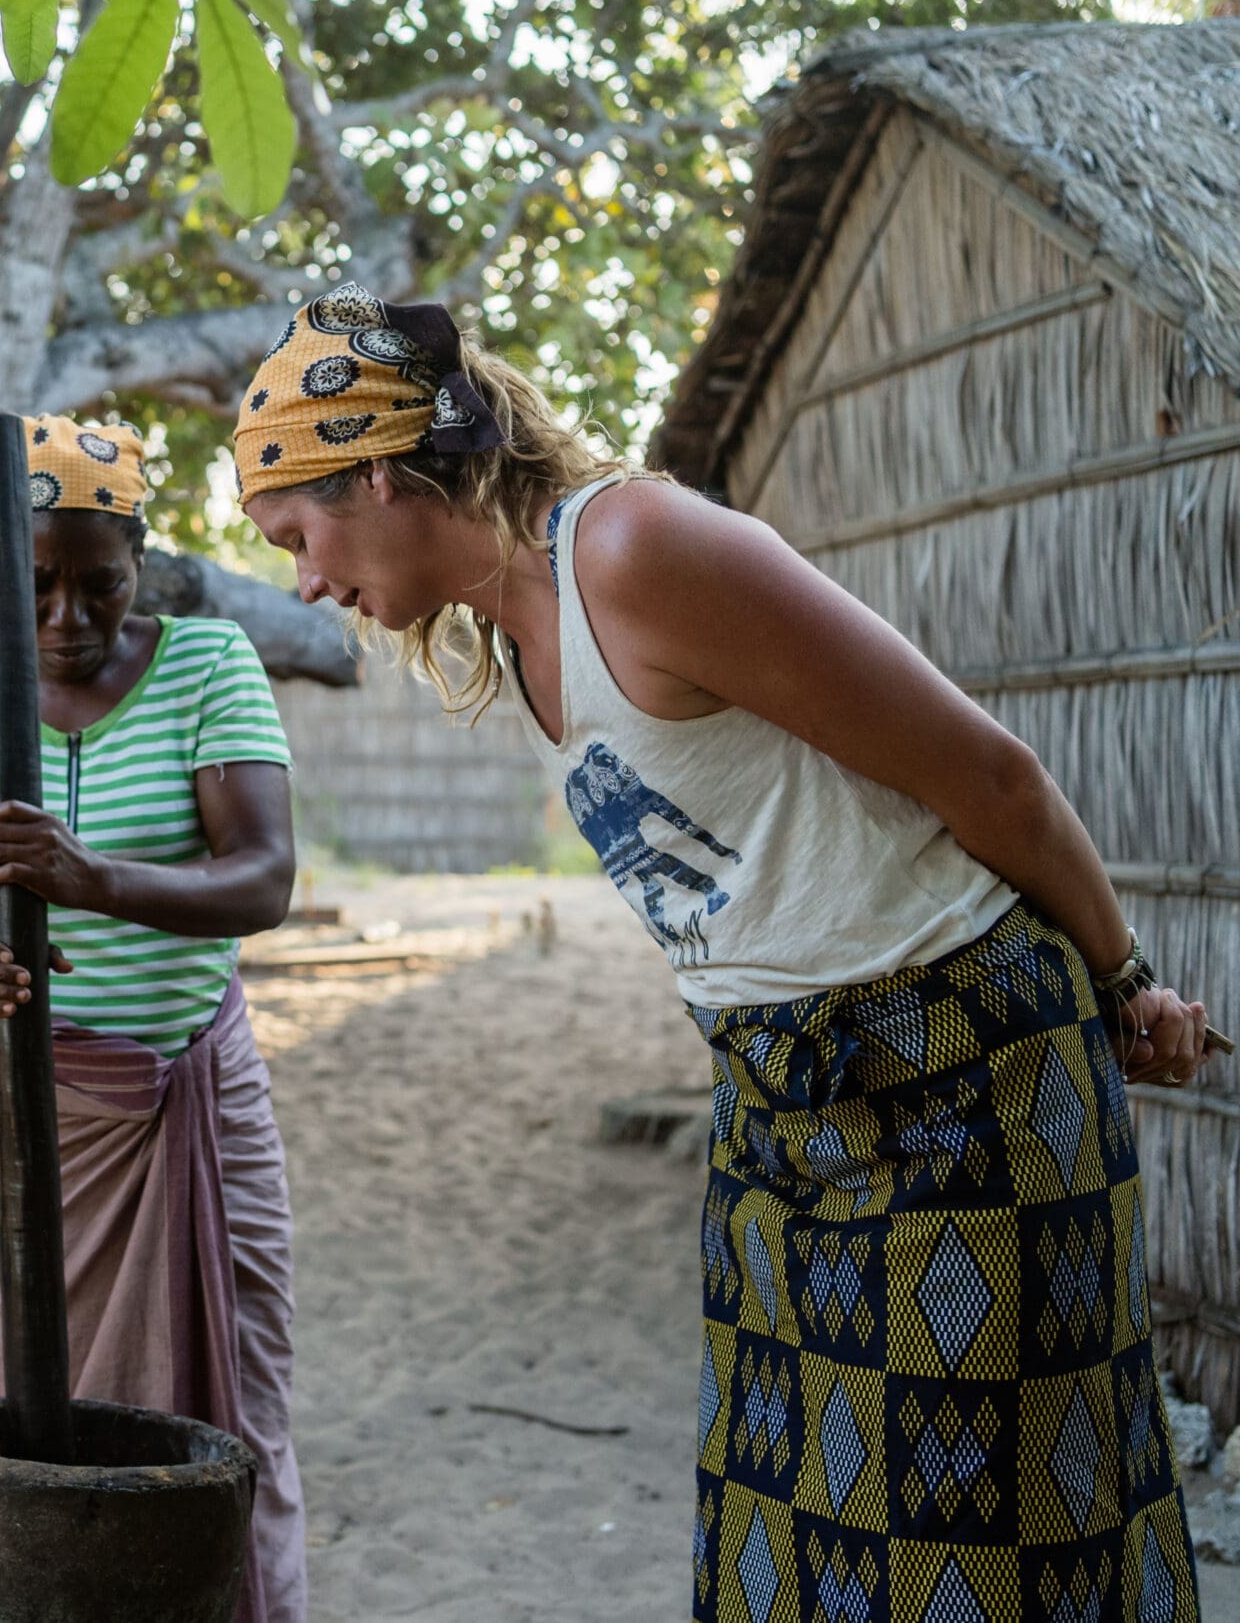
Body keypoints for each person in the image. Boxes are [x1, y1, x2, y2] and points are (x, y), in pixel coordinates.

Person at [235, 282, 1216, 1621]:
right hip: (777, 1103)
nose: (303, 579)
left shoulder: (633, 548)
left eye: (297, 534)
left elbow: (992, 777)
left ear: (381, 474)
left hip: (962, 1077)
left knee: (981, 1544)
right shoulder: (519, 640)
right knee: (787, 1537)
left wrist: (1124, 979)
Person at [0, 416, 308, 1622]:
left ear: (140, 564)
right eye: (36, 588)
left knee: (236, 1407)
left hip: (191, 1098)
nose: (67, 617)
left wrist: (91, 878)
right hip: (23, 1119)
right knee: (12, 1418)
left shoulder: (207, 665)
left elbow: (263, 878)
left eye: (99, 585)